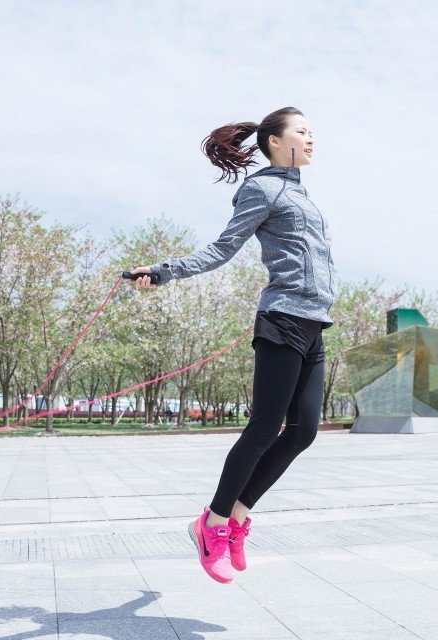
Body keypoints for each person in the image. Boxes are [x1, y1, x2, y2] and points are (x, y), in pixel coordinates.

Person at [129, 107, 334, 584]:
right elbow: (222, 248)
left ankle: (237, 517)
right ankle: (212, 524)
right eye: (303, 132)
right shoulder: (262, 189)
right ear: (276, 141)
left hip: (314, 324)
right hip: (283, 319)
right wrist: (162, 271)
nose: (311, 139)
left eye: (312, 132)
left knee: (303, 432)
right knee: (263, 428)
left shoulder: (301, 192)